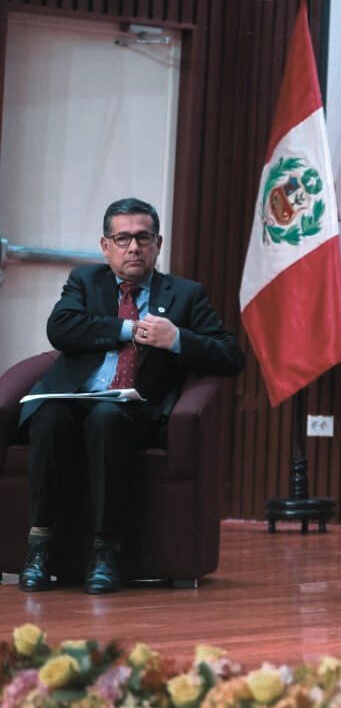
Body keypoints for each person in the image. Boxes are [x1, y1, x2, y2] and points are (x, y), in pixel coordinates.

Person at [18, 198, 245, 594]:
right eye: (122, 239)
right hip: (74, 400)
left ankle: (106, 552)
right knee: (50, 415)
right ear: (106, 246)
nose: (133, 247)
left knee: (106, 418)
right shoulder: (84, 281)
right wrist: (129, 329)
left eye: (143, 238)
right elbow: (61, 328)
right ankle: (39, 548)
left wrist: (176, 338)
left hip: (134, 411)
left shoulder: (186, 295)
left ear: (158, 243)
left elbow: (231, 355)